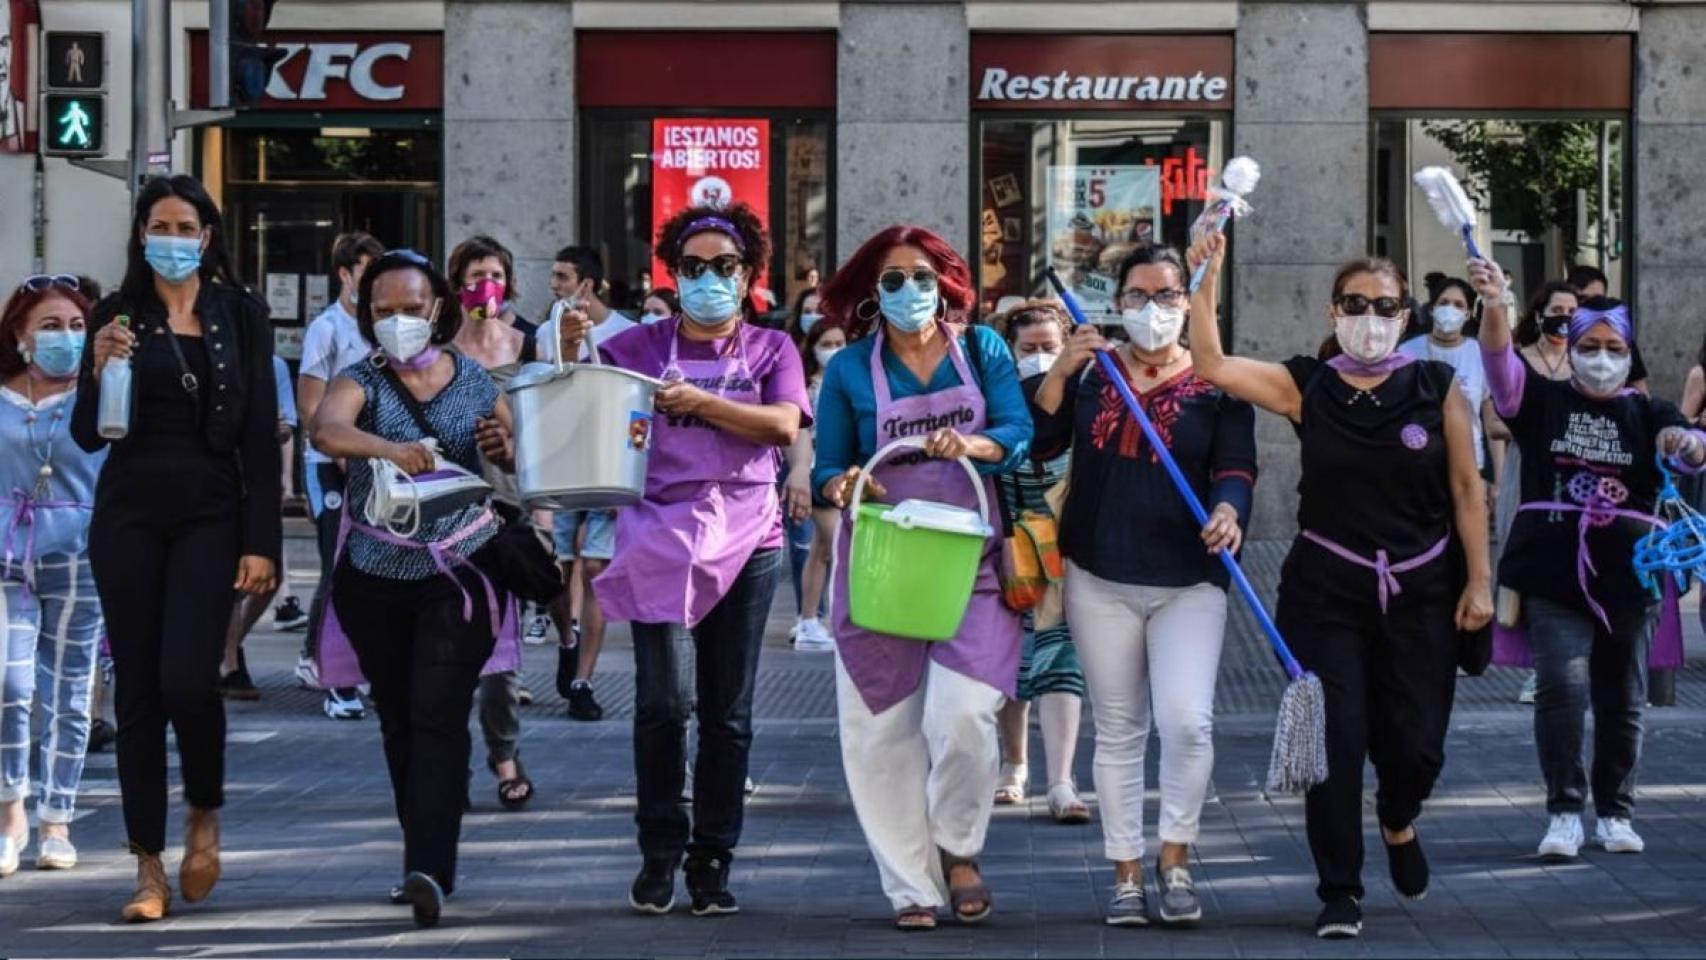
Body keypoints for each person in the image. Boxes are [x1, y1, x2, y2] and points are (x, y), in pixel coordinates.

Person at [1185, 234, 1492, 939]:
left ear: (1406, 316)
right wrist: (1208, 277)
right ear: (1333, 312)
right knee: (1338, 738)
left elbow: (1467, 490)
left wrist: (1480, 581)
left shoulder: (1438, 388)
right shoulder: (1309, 385)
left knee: (1416, 745)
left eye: (1386, 307)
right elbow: (1212, 364)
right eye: (1356, 305)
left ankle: (1398, 817)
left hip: (1422, 589)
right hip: (1326, 592)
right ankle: (1340, 889)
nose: (1370, 318)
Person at [559, 203, 807, 917]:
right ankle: (659, 850)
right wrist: (570, 352)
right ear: (673, 274)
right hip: (657, 533)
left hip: (749, 537)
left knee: (728, 712)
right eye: (693, 267)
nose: (708, 279)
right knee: (664, 703)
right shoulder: (634, 346)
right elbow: (587, 413)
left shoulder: (773, 349)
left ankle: (712, 858)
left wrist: (701, 403)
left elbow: (782, 424)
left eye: (724, 266)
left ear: (748, 274)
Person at [72, 175, 282, 923]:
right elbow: (87, 434)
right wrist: (97, 366)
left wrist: (262, 542)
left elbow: (259, 434)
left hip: (211, 513)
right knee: (138, 692)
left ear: (206, 235)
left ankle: (204, 812)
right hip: (129, 513)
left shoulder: (241, 314)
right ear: (140, 234)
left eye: (184, 226)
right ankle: (147, 868)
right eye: (158, 225)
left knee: (188, 680)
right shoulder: (116, 314)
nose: (171, 238)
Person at [813, 225, 1032, 932]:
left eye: (921, 277)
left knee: (964, 715)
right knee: (881, 731)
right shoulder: (850, 369)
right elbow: (827, 467)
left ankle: (958, 849)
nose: (909, 290)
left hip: (972, 561)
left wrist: (974, 443)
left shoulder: (983, 349)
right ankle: (911, 884)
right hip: (883, 563)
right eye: (893, 280)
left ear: (945, 283)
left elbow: (1018, 430)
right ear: (872, 293)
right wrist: (844, 483)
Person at [1032, 248, 1257, 925]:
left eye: (1165, 295)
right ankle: (1126, 871)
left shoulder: (1219, 380)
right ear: (1117, 301)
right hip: (1099, 572)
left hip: (1190, 577)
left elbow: (1237, 467)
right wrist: (1059, 371)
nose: (1151, 308)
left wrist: (1228, 511)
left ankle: (1175, 858)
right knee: (1120, 729)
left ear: (1187, 302)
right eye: (1136, 295)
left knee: (1187, 721)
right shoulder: (1092, 371)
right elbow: (1040, 443)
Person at [309, 249, 521, 928]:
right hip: (374, 579)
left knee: (438, 712)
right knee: (400, 718)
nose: (397, 320)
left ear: (437, 309)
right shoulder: (360, 379)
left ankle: (429, 866)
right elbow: (327, 430)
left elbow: (517, 446)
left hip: (460, 576)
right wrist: (390, 450)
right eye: (383, 310)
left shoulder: (472, 379)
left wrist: (504, 445)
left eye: (410, 307)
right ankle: (420, 847)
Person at [1476, 273, 1704, 864]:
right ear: (1570, 348)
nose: (1602, 359)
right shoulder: (1540, 400)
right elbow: (1498, 361)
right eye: (1590, 346)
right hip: (1553, 576)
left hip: (1632, 579)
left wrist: (1686, 443)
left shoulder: (1650, 411)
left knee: (1623, 698)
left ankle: (1615, 812)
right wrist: (1495, 304)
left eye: (1614, 348)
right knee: (1561, 687)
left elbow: (1691, 446)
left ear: (1629, 354)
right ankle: (1563, 811)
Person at [0, 275, 105, 875]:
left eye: (76, 326)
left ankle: (57, 819)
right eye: (50, 326)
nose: (66, 337)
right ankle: (10, 811)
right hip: (6, 558)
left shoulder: (101, 396)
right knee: (10, 685)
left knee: (69, 691)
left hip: (81, 557)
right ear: (21, 333)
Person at [987, 301, 1091, 826]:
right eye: (1028, 348)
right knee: (1012, 662)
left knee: (1060, 658)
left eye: (1050, 346)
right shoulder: (996, 403)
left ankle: (1062, 781)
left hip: (1066, 553)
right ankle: (1014, 764)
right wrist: (1006, 540)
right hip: (1007, 551)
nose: (1040, 356)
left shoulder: (1088, 399)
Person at [446, 234, 534, 808]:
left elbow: (547, 428)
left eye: (496, 275)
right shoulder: (438, 351)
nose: (487, 286)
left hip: (506, 511)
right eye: (476, 275)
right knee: (447, 649)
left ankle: (505, 755)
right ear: (457, 285)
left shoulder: (529, 344)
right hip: (444, 513)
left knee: (500, 651)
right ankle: (448, 764)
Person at [541, 245, 634, 721]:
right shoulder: (547, 330)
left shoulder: (629, 333)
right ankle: (567, 637)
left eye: (562, 276)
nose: (554, 284)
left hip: (607, 467)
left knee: (596, 566)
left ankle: (583, 680)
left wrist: (629, 476)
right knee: (560, 568)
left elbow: (636, 408)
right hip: (563, 463)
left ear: (588, 284)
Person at [297, 231, 385, 721]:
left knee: (369, 567)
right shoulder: (327, 328)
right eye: (364, 273)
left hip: (375, 464)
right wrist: (342, 456)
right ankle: (335, 677)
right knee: (336, 564)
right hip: (330, 466)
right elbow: (311, 407)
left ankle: (346, 658)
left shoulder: (383, 328)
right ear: (344, 275)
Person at [1493, 281, 1579, 704]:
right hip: (1526, 469)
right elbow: (1494, 420)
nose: (1565, 318)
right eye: (1557, 310)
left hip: (1574, 473)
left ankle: (1565, 663)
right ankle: (1536, 666)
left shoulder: (1585, 361)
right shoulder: (1518, 359)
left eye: (1573, 311)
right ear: (1540, 313)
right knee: (1526, 562)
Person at [215, 354, 302, 702]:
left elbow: (286, 427)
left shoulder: (272, 365)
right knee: (230, 577)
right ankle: (229, 662)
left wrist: (285, 479)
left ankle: (229, 645)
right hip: (221, 480)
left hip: (256, 482)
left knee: (269, 578)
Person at [790, 318, 849, 652]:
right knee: (841, 546)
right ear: (812, 348)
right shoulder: (807, 387)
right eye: (827, 344)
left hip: (840, 473)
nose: (834, 350)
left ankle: (809, 620)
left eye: (840, 343)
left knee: (821, 551)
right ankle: (833, 621)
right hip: (815, 473)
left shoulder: (846, 381)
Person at [1400, 277, 1492, 486]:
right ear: (1432, 308)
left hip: (1470, 464)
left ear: (1468, 314)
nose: (1450, 309)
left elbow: (1489, 414)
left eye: (1458, 305)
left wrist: (1498, 479)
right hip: (1418, 463)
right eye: (1444, 302)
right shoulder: (1407, 353)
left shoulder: (1478, 354)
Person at [1566, 265, 1648, 394]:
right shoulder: (1556, 339)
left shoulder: (1620, 341)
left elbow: (1642, 393)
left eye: (1597, 299)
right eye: (1582, 299)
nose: (1591, 306)